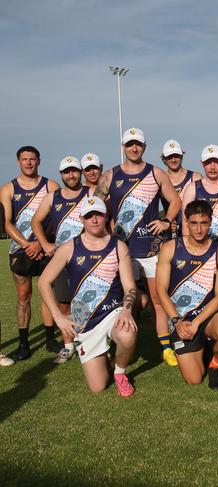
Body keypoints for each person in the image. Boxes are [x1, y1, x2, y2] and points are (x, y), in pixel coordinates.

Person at [94, 128, 182, 367]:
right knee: (123, 303)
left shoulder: (156, 173)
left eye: (138, 144)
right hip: (122, 251)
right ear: (123, 146)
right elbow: (95, 208)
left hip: (151, 249)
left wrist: (166, 221)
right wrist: (104, 235)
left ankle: (165, 347)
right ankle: (125, 347)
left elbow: (175, 201)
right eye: (130, 144)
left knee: (157, 301)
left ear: (144, 146)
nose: (134, 148)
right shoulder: (110, 176)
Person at [38, 196, 138, 396]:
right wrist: (58, 317)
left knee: (127, 335)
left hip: (113, 313)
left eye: (98, 215)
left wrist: (127, 311)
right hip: (85, 322)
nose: (94, 220)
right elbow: (43, 282)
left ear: (105, 216)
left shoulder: (119, 246)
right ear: (81, 219)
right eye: (89, 215)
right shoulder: (69, 247)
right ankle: (106, 357)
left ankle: (120, 373)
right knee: (98, 387)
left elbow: (130, 287)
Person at [156, 200, 218, 389]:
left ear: (210, 223)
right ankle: (202, 346)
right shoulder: (170, 248)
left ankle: (215, 365)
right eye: (194, 223)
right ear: (186, 222)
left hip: (208, 314)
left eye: (204, 223)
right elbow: (160, 290)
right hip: (180, 317)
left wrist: (197, 323)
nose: (199, 229)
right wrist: (177, 321)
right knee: (194, 379)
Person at [0, 146, 60, 360]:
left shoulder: (51, 186)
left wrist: (39, 243)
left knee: (47, 294)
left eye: (32, 159)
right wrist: (27, 244)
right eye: (24, 159)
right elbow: (7, 222)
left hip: (44, 248)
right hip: (21, 249)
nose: (28, 163)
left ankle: (50, 340)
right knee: (23, 297)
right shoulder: (8, 189)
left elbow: (55, 220)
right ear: (18, 162)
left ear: (38, 161)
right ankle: (24, 345)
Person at [32, 156, 89, 364]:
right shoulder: (52, 197)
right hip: (62, 259)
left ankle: (91, 341)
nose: (71, 175)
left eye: (74, 171)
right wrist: (46, 245)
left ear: (80, 172)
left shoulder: (90, 193)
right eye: (67, 172)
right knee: (64, 304)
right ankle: (68, 346)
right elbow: (35, 221)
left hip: (88, 259)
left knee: (89, 301)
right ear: (61, 174)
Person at [182, 144, 218, 240]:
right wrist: (189, 248)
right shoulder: (192, 188)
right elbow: (185, 222)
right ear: (202, 163)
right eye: (208, 162)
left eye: (216, 162)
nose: (212, 167)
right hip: (198, 246)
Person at [160, 139, 200, 233]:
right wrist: (165, 221)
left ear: (182, 156)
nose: (173, 160)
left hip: (193, 231)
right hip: (170, 232)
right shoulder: (160, 179)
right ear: (164, 159)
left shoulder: (195, 177)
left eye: (176, 156)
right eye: (170, 157)